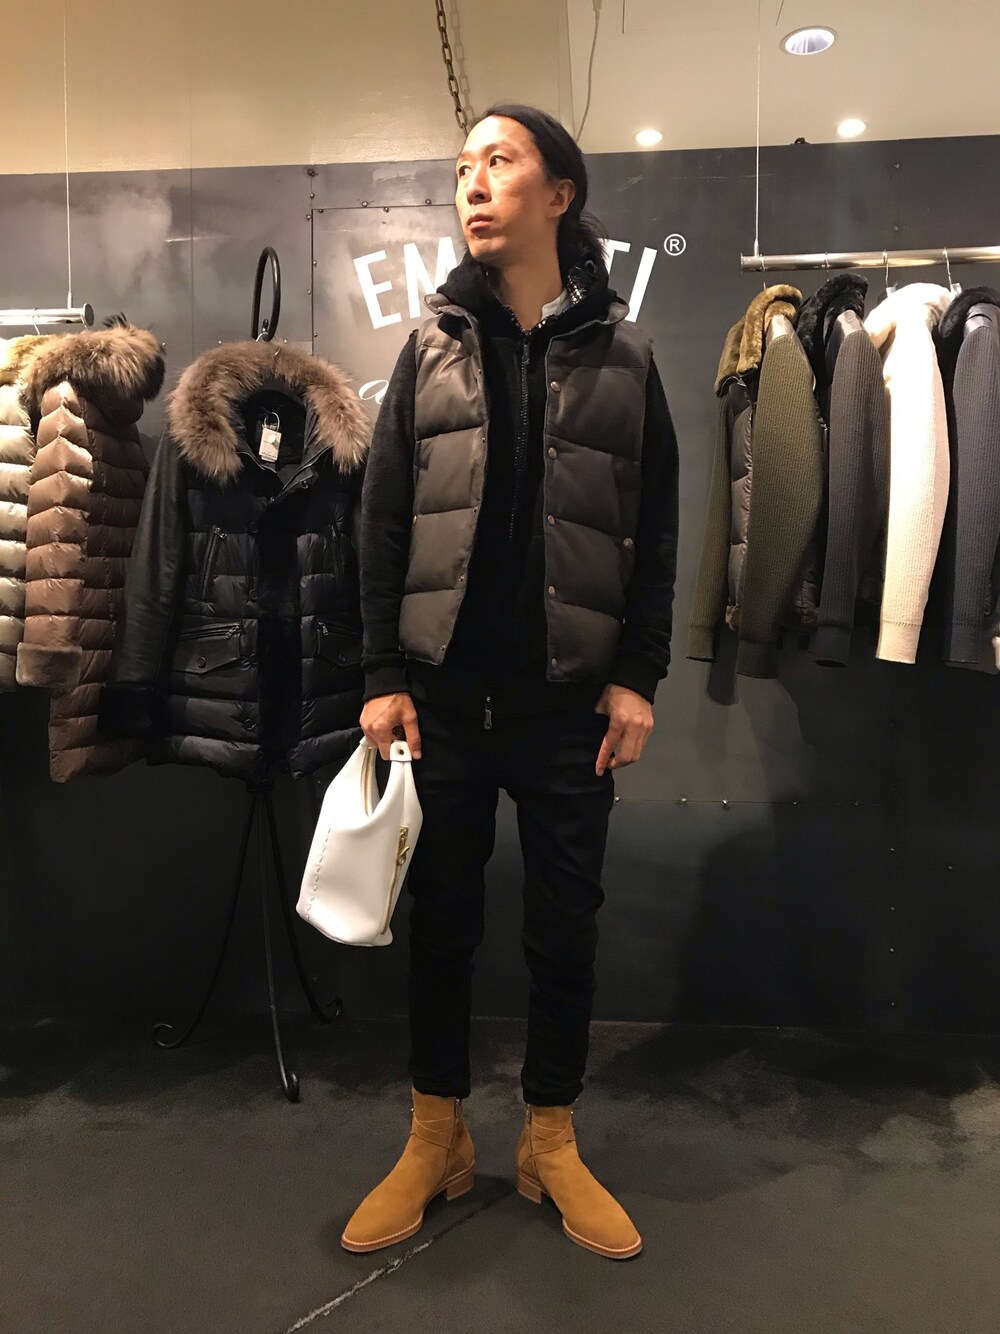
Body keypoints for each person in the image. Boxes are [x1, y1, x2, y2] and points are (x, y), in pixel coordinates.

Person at [343, 103, 679, 1262]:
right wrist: (380, 671)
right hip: (442, 697)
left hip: (566, 703)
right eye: (461, 169)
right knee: (439, 923)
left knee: (564, 928)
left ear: (559, 192)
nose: (473, 185)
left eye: (499, 162)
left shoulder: (625, 355)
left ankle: (549, 1138)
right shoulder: (430, 345)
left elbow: (656, 527)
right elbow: (382, 519)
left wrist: (637, 675)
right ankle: (436, 1133)